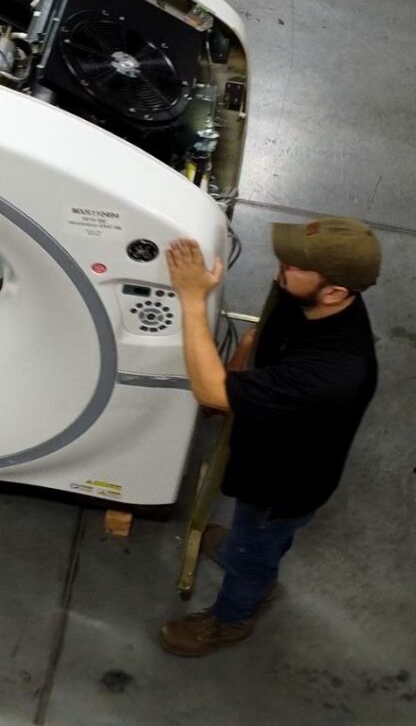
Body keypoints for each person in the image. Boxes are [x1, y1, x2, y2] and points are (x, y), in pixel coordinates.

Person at [159, 217, 380, 656]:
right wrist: (244, 354)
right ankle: (246, 551)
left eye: (296, 264)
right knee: (254, 537)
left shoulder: (330, 374)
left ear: (334, 291)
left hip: (282, 486)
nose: (282, 265)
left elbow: (211, 392)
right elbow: (262, 342)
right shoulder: (307, 299)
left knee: (253, 552)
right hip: (269, 448)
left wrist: (191, 297)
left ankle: (232, 619)